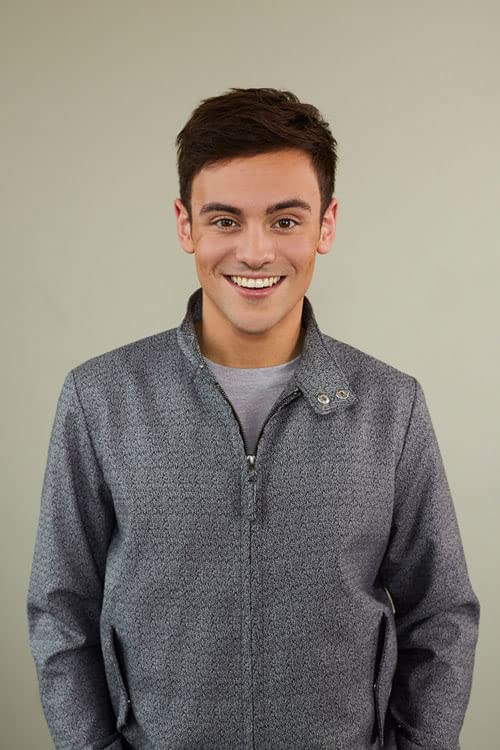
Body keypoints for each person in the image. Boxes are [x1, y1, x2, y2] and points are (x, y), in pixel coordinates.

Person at [27, 87, 480, 750]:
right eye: (225, 220)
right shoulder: (100, 399)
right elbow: (59, 610)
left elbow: (440, 616)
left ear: (327, 225)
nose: (257, 252)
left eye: (286, 220)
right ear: (185, 225)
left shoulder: (392, 407)